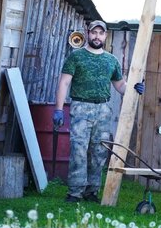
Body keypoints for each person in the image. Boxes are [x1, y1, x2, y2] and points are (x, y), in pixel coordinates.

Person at [53, 20, 145, 203]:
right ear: (88, 33)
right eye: (93, 32)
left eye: (100, 33)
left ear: (105, 36)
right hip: (80, 108)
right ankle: (75, 192)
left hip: (103, 110)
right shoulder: (76, 57)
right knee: (78, 151)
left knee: (99, 152)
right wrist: (58, 109)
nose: (97, 36)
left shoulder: (111, 60)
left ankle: (91, 191)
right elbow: (64, 82)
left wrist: (135, 88)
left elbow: (120, 86)